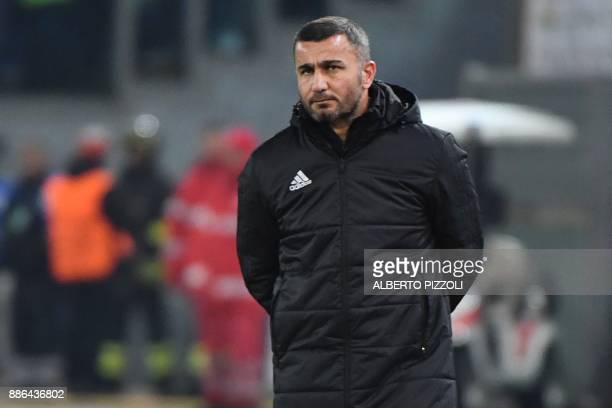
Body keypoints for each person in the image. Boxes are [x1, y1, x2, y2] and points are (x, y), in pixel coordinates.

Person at [236, 16, 483, 408]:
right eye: (306, 71)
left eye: (332, 67)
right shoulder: (269, 165)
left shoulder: (432, 153)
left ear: (367, 73)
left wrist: (410, 314)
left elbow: (462, 257)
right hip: (310, 376)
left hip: (410, 380)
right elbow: (259, 269)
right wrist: (308, 307)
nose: (318, 83)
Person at [165, 125, 266, 408]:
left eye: (233, 151)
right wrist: (188, 271)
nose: (227, 157)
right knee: (214, 354)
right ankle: (216, 398)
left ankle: (242, 401)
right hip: (211, 293)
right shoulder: (208, 185)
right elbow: (194, 233)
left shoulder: (262, 189)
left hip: (244, 295)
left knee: (243, 354)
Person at [43, 125, 132, 391]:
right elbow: (121, 224)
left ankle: (72, 377)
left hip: (64, 269)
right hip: (97, 269)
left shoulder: (57, 185)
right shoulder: (103, 184)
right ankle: (94, 379)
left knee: (69, 326)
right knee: (97, 328)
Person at [101, 115, 173, 388]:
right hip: (121, 266)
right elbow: (108, 218)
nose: (136, 154)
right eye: (133, 148)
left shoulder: (162, 185)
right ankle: (109, 380)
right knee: (113, 324)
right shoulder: (118, 185)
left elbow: (167, 225)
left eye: (142, 148)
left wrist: (149, 248)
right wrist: (122, 242)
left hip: (150, 265)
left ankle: (163, 380)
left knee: (156, 325)